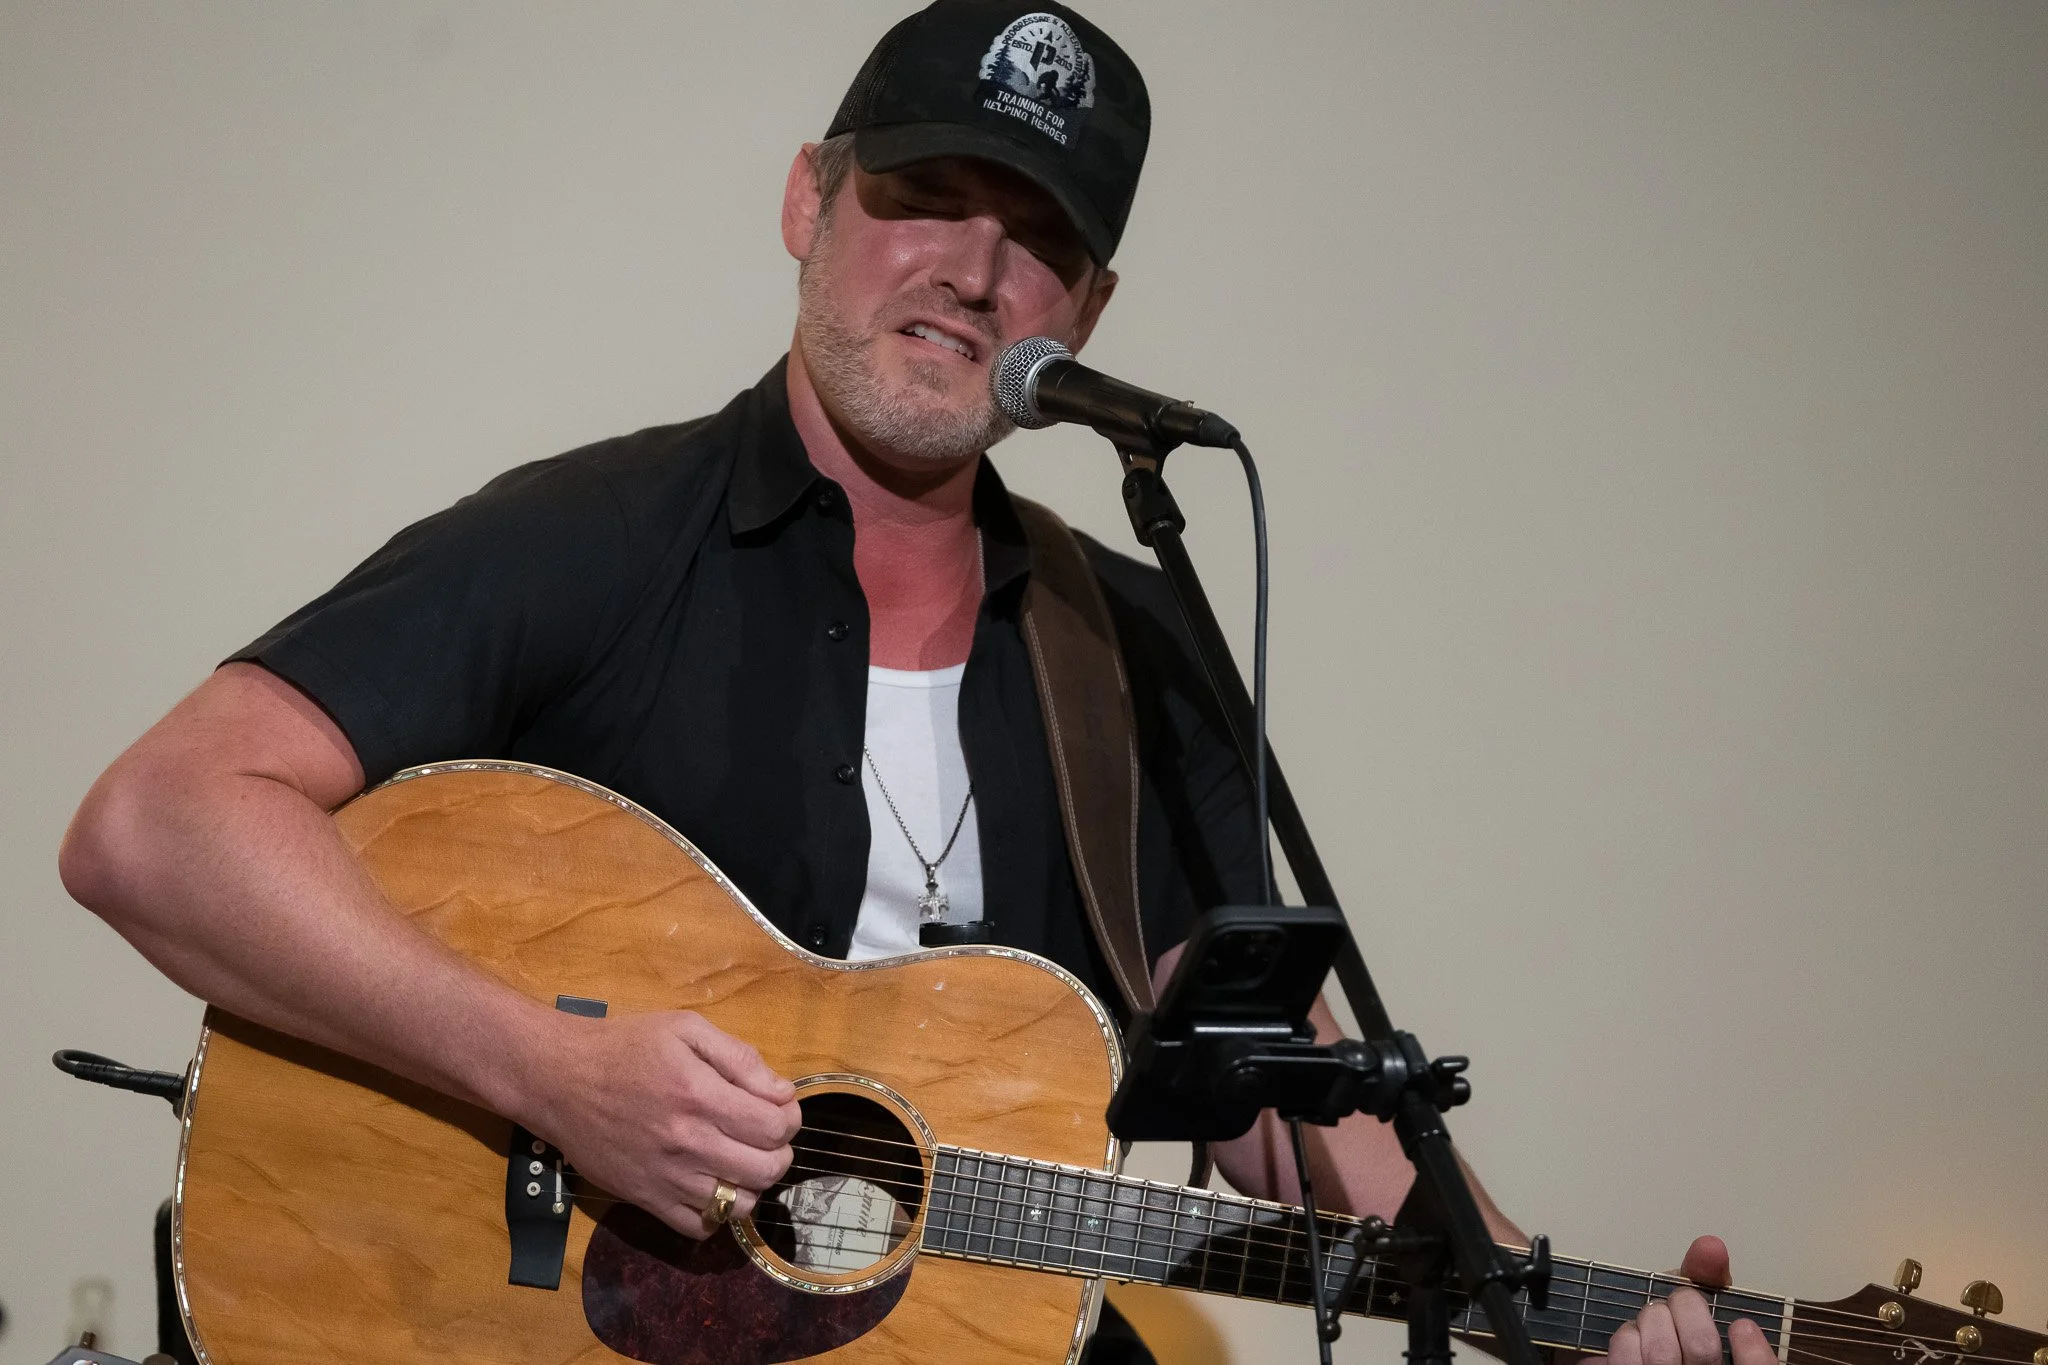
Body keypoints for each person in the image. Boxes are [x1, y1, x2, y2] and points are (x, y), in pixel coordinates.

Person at [57, 4, 1773, 1363]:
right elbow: (156, 826)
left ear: (1086, 310)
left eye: (1039, 238)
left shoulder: (1133, 644)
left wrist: (1561, 1306)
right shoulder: (590, 542)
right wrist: (549, 1077)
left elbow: (1284, 1100)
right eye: (926, 194)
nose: (972, 265)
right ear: (810, 201)